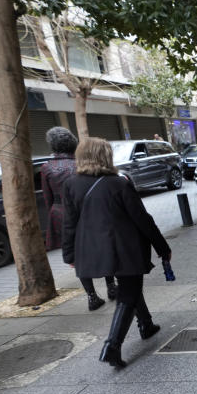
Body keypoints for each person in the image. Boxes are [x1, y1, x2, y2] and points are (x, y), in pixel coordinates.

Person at [63, 138, 170, 368]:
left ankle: (146, 324)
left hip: (91, 249)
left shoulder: (71, 184)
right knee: (128, 292)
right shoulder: (119, 183)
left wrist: (69, 255)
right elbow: (142, 219)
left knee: (130, 287)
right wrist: (162, 247)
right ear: (105, 157)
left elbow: (69, 223)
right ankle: (112, 346)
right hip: (124, 248)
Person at [40, 127, 116, 311]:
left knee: (77, 255)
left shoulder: (47, 167)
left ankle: (91, 296)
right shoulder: (80, 164)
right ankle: (111, 286)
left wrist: (54, 211)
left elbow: (47, 197)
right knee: (102, 246)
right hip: (85, 209)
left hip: (60, 212)